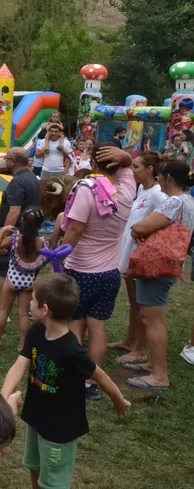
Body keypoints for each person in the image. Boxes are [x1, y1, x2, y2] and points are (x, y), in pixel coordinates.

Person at [1, 273, 130, 489]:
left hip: (60, 428)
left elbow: (100, 376)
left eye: (33, 299)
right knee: (35, 466)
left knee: (54, 481)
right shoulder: (36, 331)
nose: (29, 303)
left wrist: (119, 400)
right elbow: (20, 365)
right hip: (36, 416)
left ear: (45, 309)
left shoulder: (72, 351)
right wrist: (3, 397)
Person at [58, 143, 133, 401]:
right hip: (110, 272)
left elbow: (75, 229)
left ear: (93, 162)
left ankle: (74, 376)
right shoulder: (127, 188)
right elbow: (128, 166)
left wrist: (59, 257)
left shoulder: (86, 189)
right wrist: (125, 157)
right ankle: (90, 381)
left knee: (75, 325)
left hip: (81, 269)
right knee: (97, 326)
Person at [123, 159, 194, 392]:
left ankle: (159, 375)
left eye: (161, 177)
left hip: (156, 266)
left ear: (168, 178)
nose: (159, 181)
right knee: (154, 317)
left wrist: (137, 230)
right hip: (170, 264)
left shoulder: (174, 201)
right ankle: (153, 363)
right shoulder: (190, 201)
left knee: (152, 319)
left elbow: (141, 227)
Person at [110, 152, 165, 364]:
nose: (132, 171)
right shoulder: (141, 188)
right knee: (134, 302)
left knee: (142, 305)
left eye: (136, 167)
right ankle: (130, 341)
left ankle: (140, 350)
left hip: (142, 256)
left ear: (150, 169)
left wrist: (149, 235)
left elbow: (168, 219)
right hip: (128, 252)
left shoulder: (158, 194)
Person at [0, 147, 41, 322]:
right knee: (26, 271)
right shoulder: (32, 178)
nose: (4, 161)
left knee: (3, 270)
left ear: (13, 161)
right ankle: (28, 308)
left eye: (6, 158)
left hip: (16, 233)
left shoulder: (17, 182)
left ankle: (2, 310)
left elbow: (14, 212)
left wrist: (5, 235)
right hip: (30, 232)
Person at [0, 208, 48, 350]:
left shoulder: (14, 238)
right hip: (29, 282)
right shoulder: (41, 243)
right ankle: (22, 345)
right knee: (24, 314)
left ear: (22, 221)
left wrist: (3, 230)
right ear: (41, 225)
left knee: (3, 311)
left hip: (12, 280)